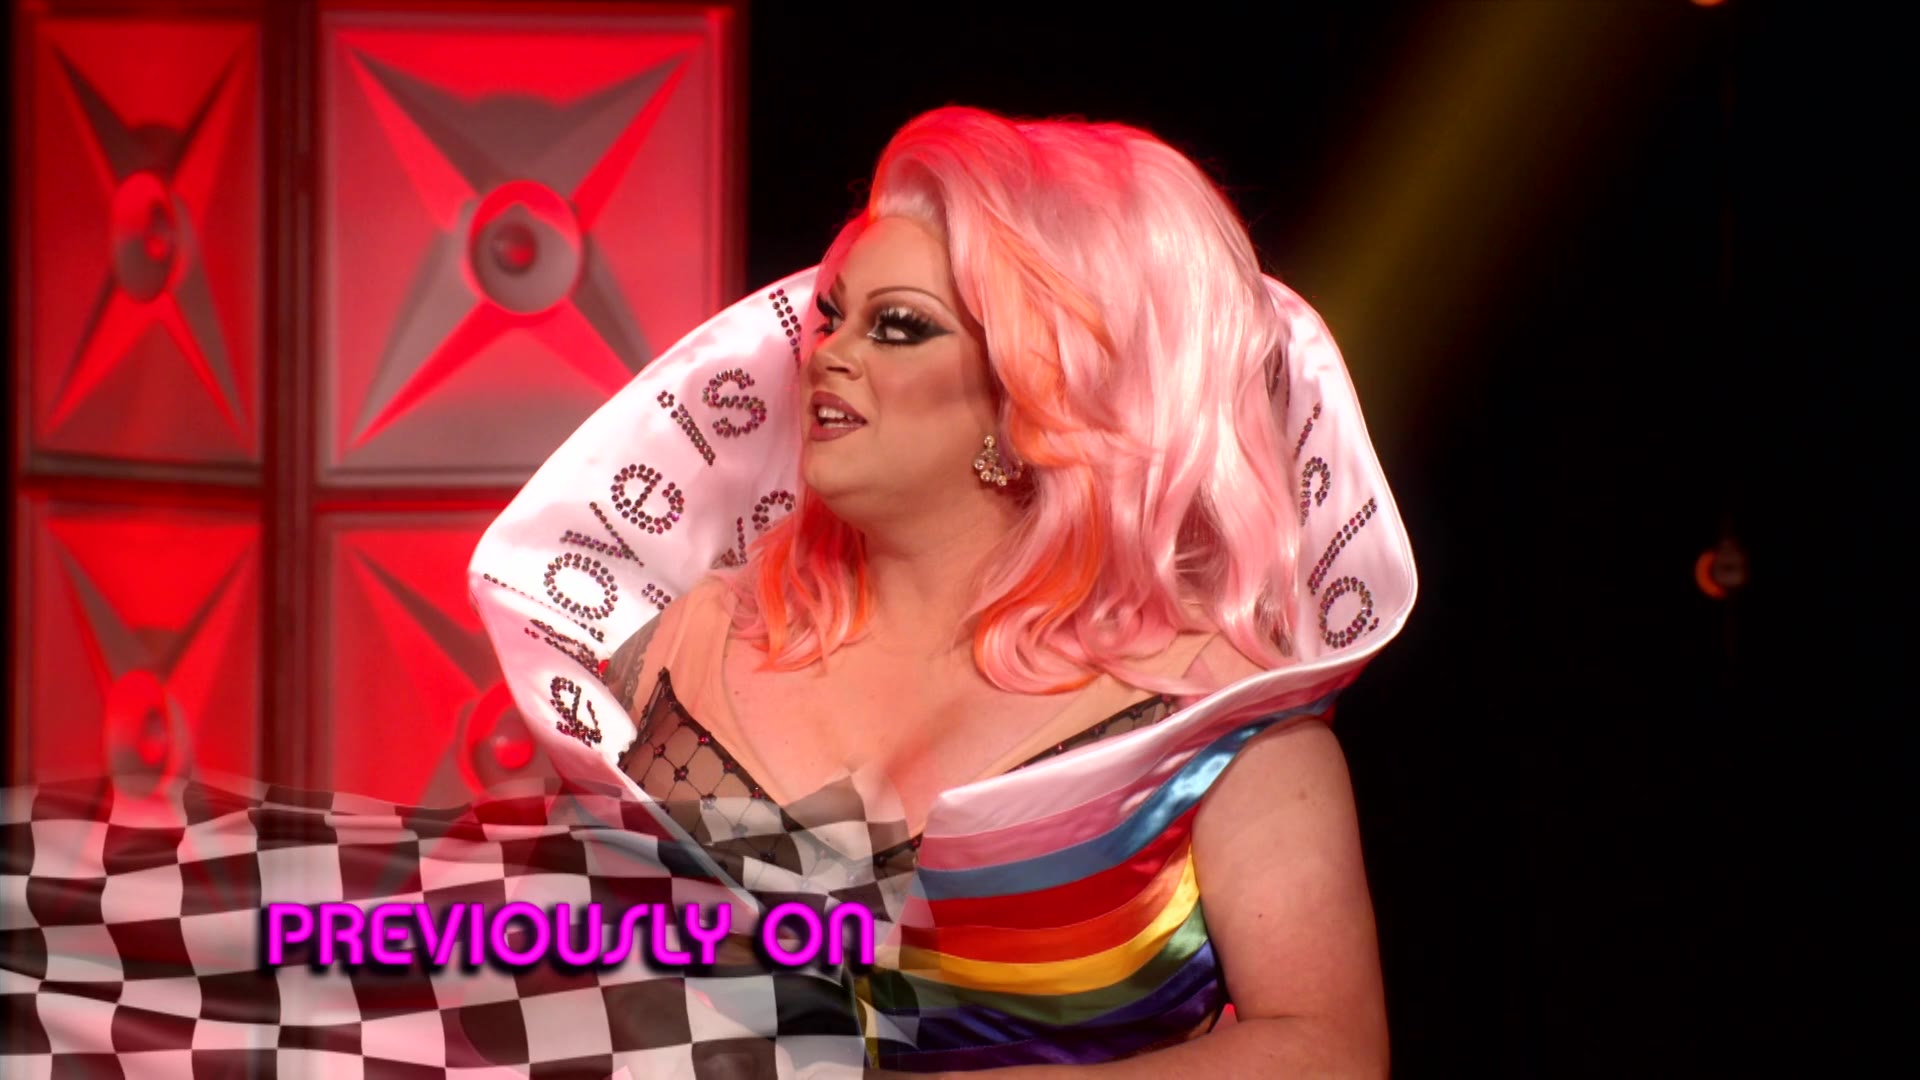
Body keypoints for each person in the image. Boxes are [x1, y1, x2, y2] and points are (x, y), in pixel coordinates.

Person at [493, 106, 1409, 1074]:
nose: (830, 352)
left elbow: (1331, 1053)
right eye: (832, 317)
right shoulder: (692, 643)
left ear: (1036, 393)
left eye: (899, 327)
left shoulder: (1215, 710)